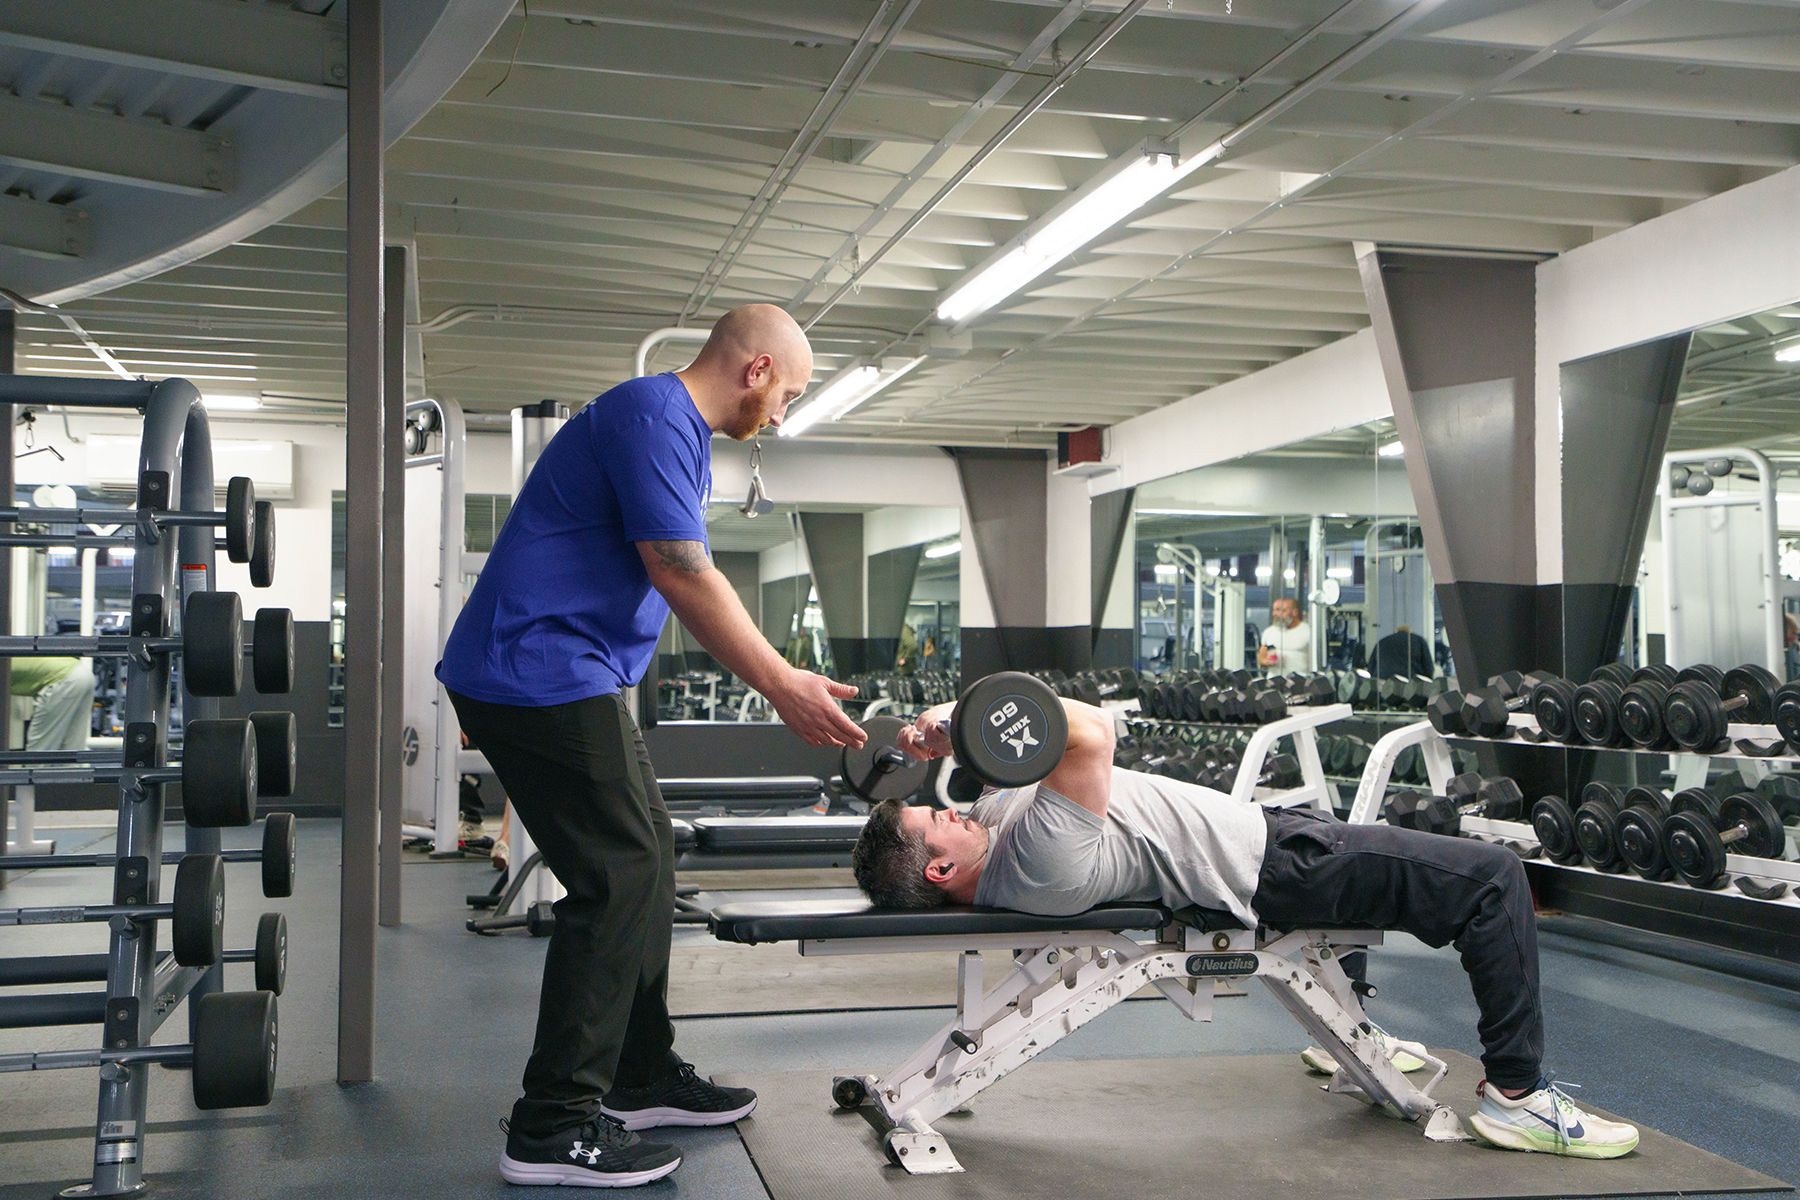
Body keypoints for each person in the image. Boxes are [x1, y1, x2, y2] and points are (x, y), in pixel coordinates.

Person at [437, 303, 868, 1190]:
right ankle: (552, 1124)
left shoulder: (665, 426)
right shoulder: (651, 415)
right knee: (618, 874)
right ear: (755, 371)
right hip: (538, 671)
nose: (782, 415)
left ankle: (637, 1073)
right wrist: (782, 681)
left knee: (649, 859)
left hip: (568, 672)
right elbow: (681, 569)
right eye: (786, 394)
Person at [850, 694, 1639, 1160]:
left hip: (1261, 839)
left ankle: (1354, 1030)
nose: (949, 804)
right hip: (1273, 867)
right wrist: (965, 711)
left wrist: (945, 742)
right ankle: (1517, 1093)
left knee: (1366, 854)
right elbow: (1088, 733)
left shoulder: (996, 834)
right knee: (1492, 880)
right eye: (935, 818)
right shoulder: (1039, 853)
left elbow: (1003, 755)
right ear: (942, 873)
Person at [10, 656, 94, 751]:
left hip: (62, 679)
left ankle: (36, 766)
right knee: (72, 746)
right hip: (81, 672)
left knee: (40, 748)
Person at [1257, 596, 1313, 674]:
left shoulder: (1308, 632)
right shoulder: (1269, 632)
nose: (1275, 614)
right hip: (1275, 682)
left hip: (1300, 683)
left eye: (1281, 610)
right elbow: (1261, 657)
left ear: (1295, 612)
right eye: (1274, 610)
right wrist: (1266, 662)